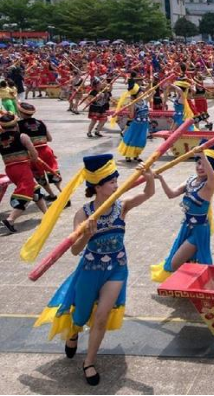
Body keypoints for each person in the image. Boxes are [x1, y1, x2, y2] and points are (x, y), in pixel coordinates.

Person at [34, 154, 155, 386]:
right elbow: (74, 250)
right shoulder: (83, 214)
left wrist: (149, 177)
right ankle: (73, 332)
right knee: (80, 314)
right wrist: (87, 234)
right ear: (98, 186)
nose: (117, 186)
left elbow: (147, 194)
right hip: (90, 268)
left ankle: (89, 362)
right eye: (112, 182)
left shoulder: (122, 206)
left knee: (101, 317)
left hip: (117, 268)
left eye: (116, 181)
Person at [151, 145, 214, 282]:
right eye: (198, 163)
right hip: (186, 227)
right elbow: (171, 194)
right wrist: (160, 179)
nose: (200, 167)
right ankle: (188, 285)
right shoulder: (191, 180)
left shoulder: (209, 185)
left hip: (199, 231)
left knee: (174, 263)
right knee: (187, 262)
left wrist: (202, 154)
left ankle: (194, 284)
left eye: (204, 164)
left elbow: (211, 176)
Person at [0, 113, 48, 233]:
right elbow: (34, 154)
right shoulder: (22, 136)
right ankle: (10, 219)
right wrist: (33, 159)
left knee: (35, 190)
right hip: (22, 168)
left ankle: (47, 214)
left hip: (9, 169)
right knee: (26, 194)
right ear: (16, 124)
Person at [17, 103, 66, 203]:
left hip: (32, 154)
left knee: (39, 175)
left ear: (21, 112)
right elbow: (50, 138)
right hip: (46, 151)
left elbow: (19, 141)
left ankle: (52, 195)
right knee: (53, 173)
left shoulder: (19, 125)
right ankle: (65, 197)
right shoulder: (40, 122)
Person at [118, 82, 150, 162]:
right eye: (140, 92)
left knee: (141, 140)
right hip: (136, 124)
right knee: (132, 139)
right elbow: (131, 116)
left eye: (141, 92)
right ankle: (128, 155)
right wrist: (131, 107)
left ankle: (136, 154)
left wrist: (149, 84)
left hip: (144, 124)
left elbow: (153, 92)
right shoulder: (133, 104)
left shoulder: (145, 100)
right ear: (136, 95)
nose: (142, 93)